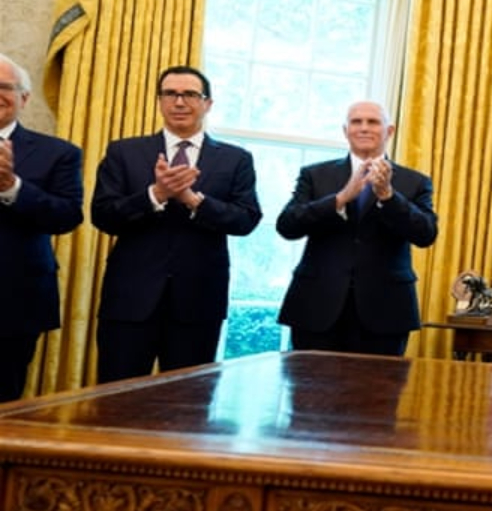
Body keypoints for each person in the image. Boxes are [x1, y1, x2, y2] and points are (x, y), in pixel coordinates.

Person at [92, 65, 261, 383]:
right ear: (159, 101)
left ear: (207, 103)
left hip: (199, 301)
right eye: (170, 94)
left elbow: (246, 219)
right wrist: (156, 194)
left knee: (189, 400)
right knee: (118, 396)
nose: (179, 102)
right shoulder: (124, 152)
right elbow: (103, 215)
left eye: (190, 94)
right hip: (130, 299)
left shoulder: (235, 159)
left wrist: (193, 200)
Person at [276, 100, 438, 356]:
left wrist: (389, 196)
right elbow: (287, 225)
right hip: (317, 306)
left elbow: (426, 234)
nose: (364, 128)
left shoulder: (415, 182)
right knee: (310, 383)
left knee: (380, 384)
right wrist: (340, 199)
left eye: (373, 122)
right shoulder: (315, 175)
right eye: (356, 122)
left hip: (386, 310)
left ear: (389, 131)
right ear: (346, 130)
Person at [0, 54, 83, 402]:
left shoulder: (58, 153)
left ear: (24, 97)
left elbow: (67, 216)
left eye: (4, 87)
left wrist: (12, 188)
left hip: (13, 302)